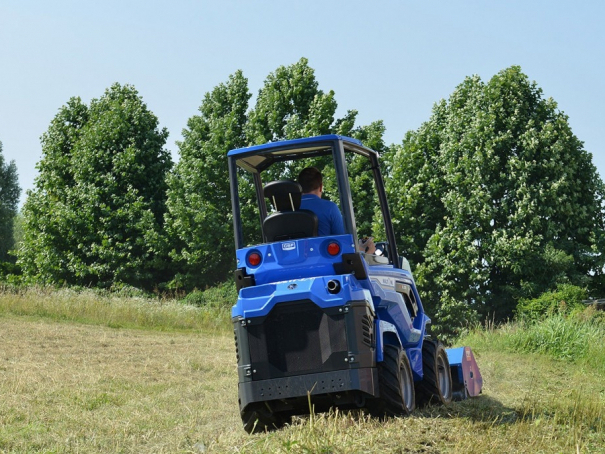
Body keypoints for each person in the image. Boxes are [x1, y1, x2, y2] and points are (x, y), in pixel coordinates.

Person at [298, 167, 345, 237]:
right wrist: (361, 247)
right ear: (321, 187)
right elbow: (342, 240)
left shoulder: (289, 209)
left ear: (299, 187)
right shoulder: (330, 208)